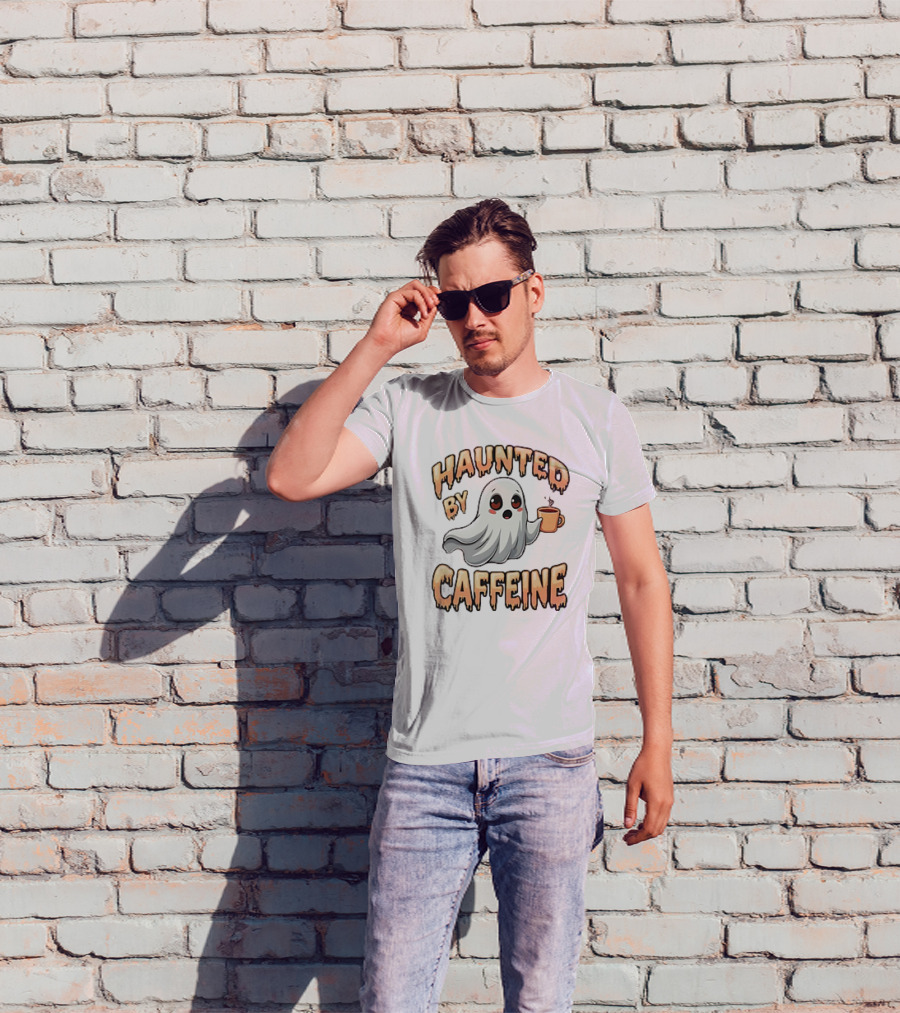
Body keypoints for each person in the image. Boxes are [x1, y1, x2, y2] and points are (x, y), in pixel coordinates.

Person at [266, 198, 674, 1013]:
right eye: (455, 303)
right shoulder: (410, 408)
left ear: (535, 291)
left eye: (492, 296)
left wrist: (657, 740)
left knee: (539, 1000)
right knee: (392, 1000)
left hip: (551, 762)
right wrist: (379, 346)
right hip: (426, 767)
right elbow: (292, 476)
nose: (474, 318)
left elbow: (640, 579)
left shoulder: (594, 420)